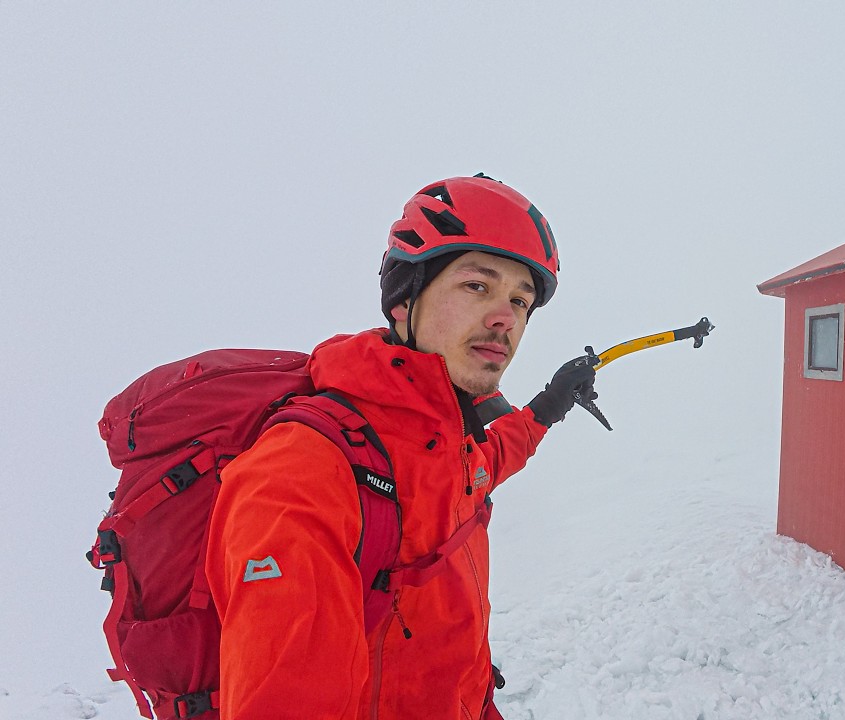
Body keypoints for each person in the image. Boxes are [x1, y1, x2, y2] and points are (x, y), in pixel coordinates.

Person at [205, 175, 594, 719]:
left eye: (520, 300)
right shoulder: (301, 473)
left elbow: (489, 462)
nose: (505, 318)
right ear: (404, 299)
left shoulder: (448, 440)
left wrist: (547, 407)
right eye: (476, 286)